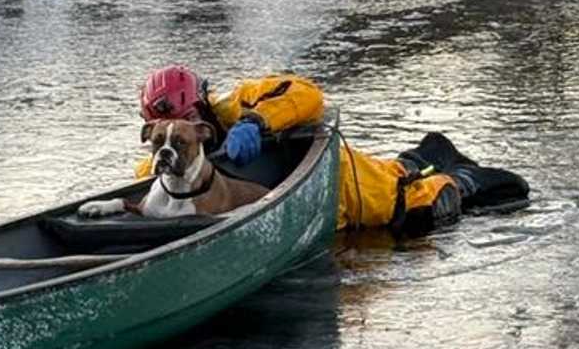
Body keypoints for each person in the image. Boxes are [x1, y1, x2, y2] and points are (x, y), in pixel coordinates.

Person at [134, 65, 530, 234]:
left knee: (428, 201)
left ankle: (457, 173)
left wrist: (255, 122)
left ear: (199, 110)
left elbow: (306, 93)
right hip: (325, 203)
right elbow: (149, 183)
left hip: (355, 190)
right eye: (163, 132)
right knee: (404, 167)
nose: (176, 136)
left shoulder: (238, 103)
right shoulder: (170, 159)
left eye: (184, 126)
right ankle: (427, 152)